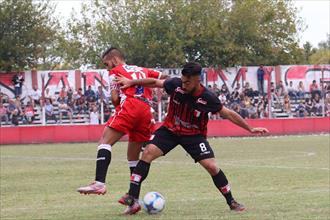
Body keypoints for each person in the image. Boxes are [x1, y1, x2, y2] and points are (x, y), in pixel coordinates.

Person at [116, 62, 269, 214]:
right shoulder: (176, 84)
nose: (183, 85)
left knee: (212, 167)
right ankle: (132, 197)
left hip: (194, 136)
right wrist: (131, 82)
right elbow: (155, 82)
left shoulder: (208, 97)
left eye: (187, 82)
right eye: (182, 81)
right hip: (170, 130)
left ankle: (232, 202)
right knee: (148, 152)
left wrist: (250, 128)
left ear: (197, 80)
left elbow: (228, 113)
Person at [77, 47, 165, 196]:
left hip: (130, 105)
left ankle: (99, 183)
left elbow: (115, 98)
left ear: (115, 60)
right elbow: (165, 78)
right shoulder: (142, 69)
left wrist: (120, 108)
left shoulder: (115, 71)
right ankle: (133, 198)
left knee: (105, 142)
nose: (107, 68)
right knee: (133, 157)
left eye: (106, 64)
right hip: (146, 111)